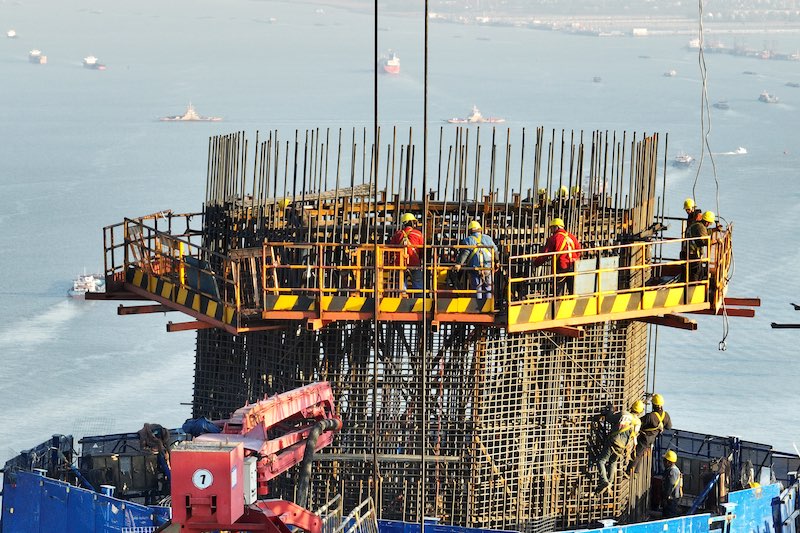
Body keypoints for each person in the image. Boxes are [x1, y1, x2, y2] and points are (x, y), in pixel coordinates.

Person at [595, 400, 644, 495]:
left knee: (601, 461)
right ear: (640, 411)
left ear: (632, 407)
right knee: (613, 462)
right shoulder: (638, 423)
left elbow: (609, 419)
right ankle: (610, 483)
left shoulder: (624, 414)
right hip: (623, 447)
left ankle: (604, 481)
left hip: (613, 442)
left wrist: (610, 410)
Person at [626, 393, 673, 475]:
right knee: (641, 454)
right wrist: (660, 427)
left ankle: (629, 471)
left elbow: (638, 422)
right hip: (652, 439)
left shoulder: (650, 416)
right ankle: (636, 471)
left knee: (637, 454)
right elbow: (669, 427)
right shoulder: (666, 416)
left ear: (654, 405)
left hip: (645, 438)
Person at [533, 218, 581, 295]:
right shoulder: (572, 237)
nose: (551, 230)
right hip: (573, 267)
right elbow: (578, 251)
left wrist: (536, 263)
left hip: (561, 267)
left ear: (557, 227)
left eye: (552, 228)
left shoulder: (554, 238)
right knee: (573, 290)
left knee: (557, 292)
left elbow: (545, 254)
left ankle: (558, 302)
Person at [454, 220, 498, 299]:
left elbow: (465, 254)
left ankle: (478, 304)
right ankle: (489, 304)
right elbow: (495, 251)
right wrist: (497, 262)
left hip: (475, 269)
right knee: (488, 288)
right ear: (480, 229)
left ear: (470, 231)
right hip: (488, 268)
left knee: (477, 288)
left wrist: (459, 264)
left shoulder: (468, 240)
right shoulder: (488, 238)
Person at [390, 213, 424, 291]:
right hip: (414, 263)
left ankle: (402, 296)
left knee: (401, 287)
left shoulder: (397, 234)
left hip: (400, 264)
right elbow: (422, 250)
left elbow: (391, 249)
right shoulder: (418, 234)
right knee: (418, 285)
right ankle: (419, 297)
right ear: (411, 222)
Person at [684, 211, 715, 281]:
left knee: (698, 271)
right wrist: (716, 241)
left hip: (689, 252)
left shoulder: (697, 225)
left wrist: (714, 230)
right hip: (693, 253)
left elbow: (705, 231)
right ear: (707, 222)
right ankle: (694, 285)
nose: (709, 224)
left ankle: (694, 283)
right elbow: (705, 241)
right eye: (710, 223)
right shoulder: (700, 227)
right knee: (696, 273)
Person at [662, 449, 683, 518]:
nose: (663, 462)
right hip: (670, 500)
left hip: (670, 501)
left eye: (664, 460)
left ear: (668, 462)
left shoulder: (673, 472)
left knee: (668, 517)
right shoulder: (672, 470)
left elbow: (670, 486)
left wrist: (665, 498)